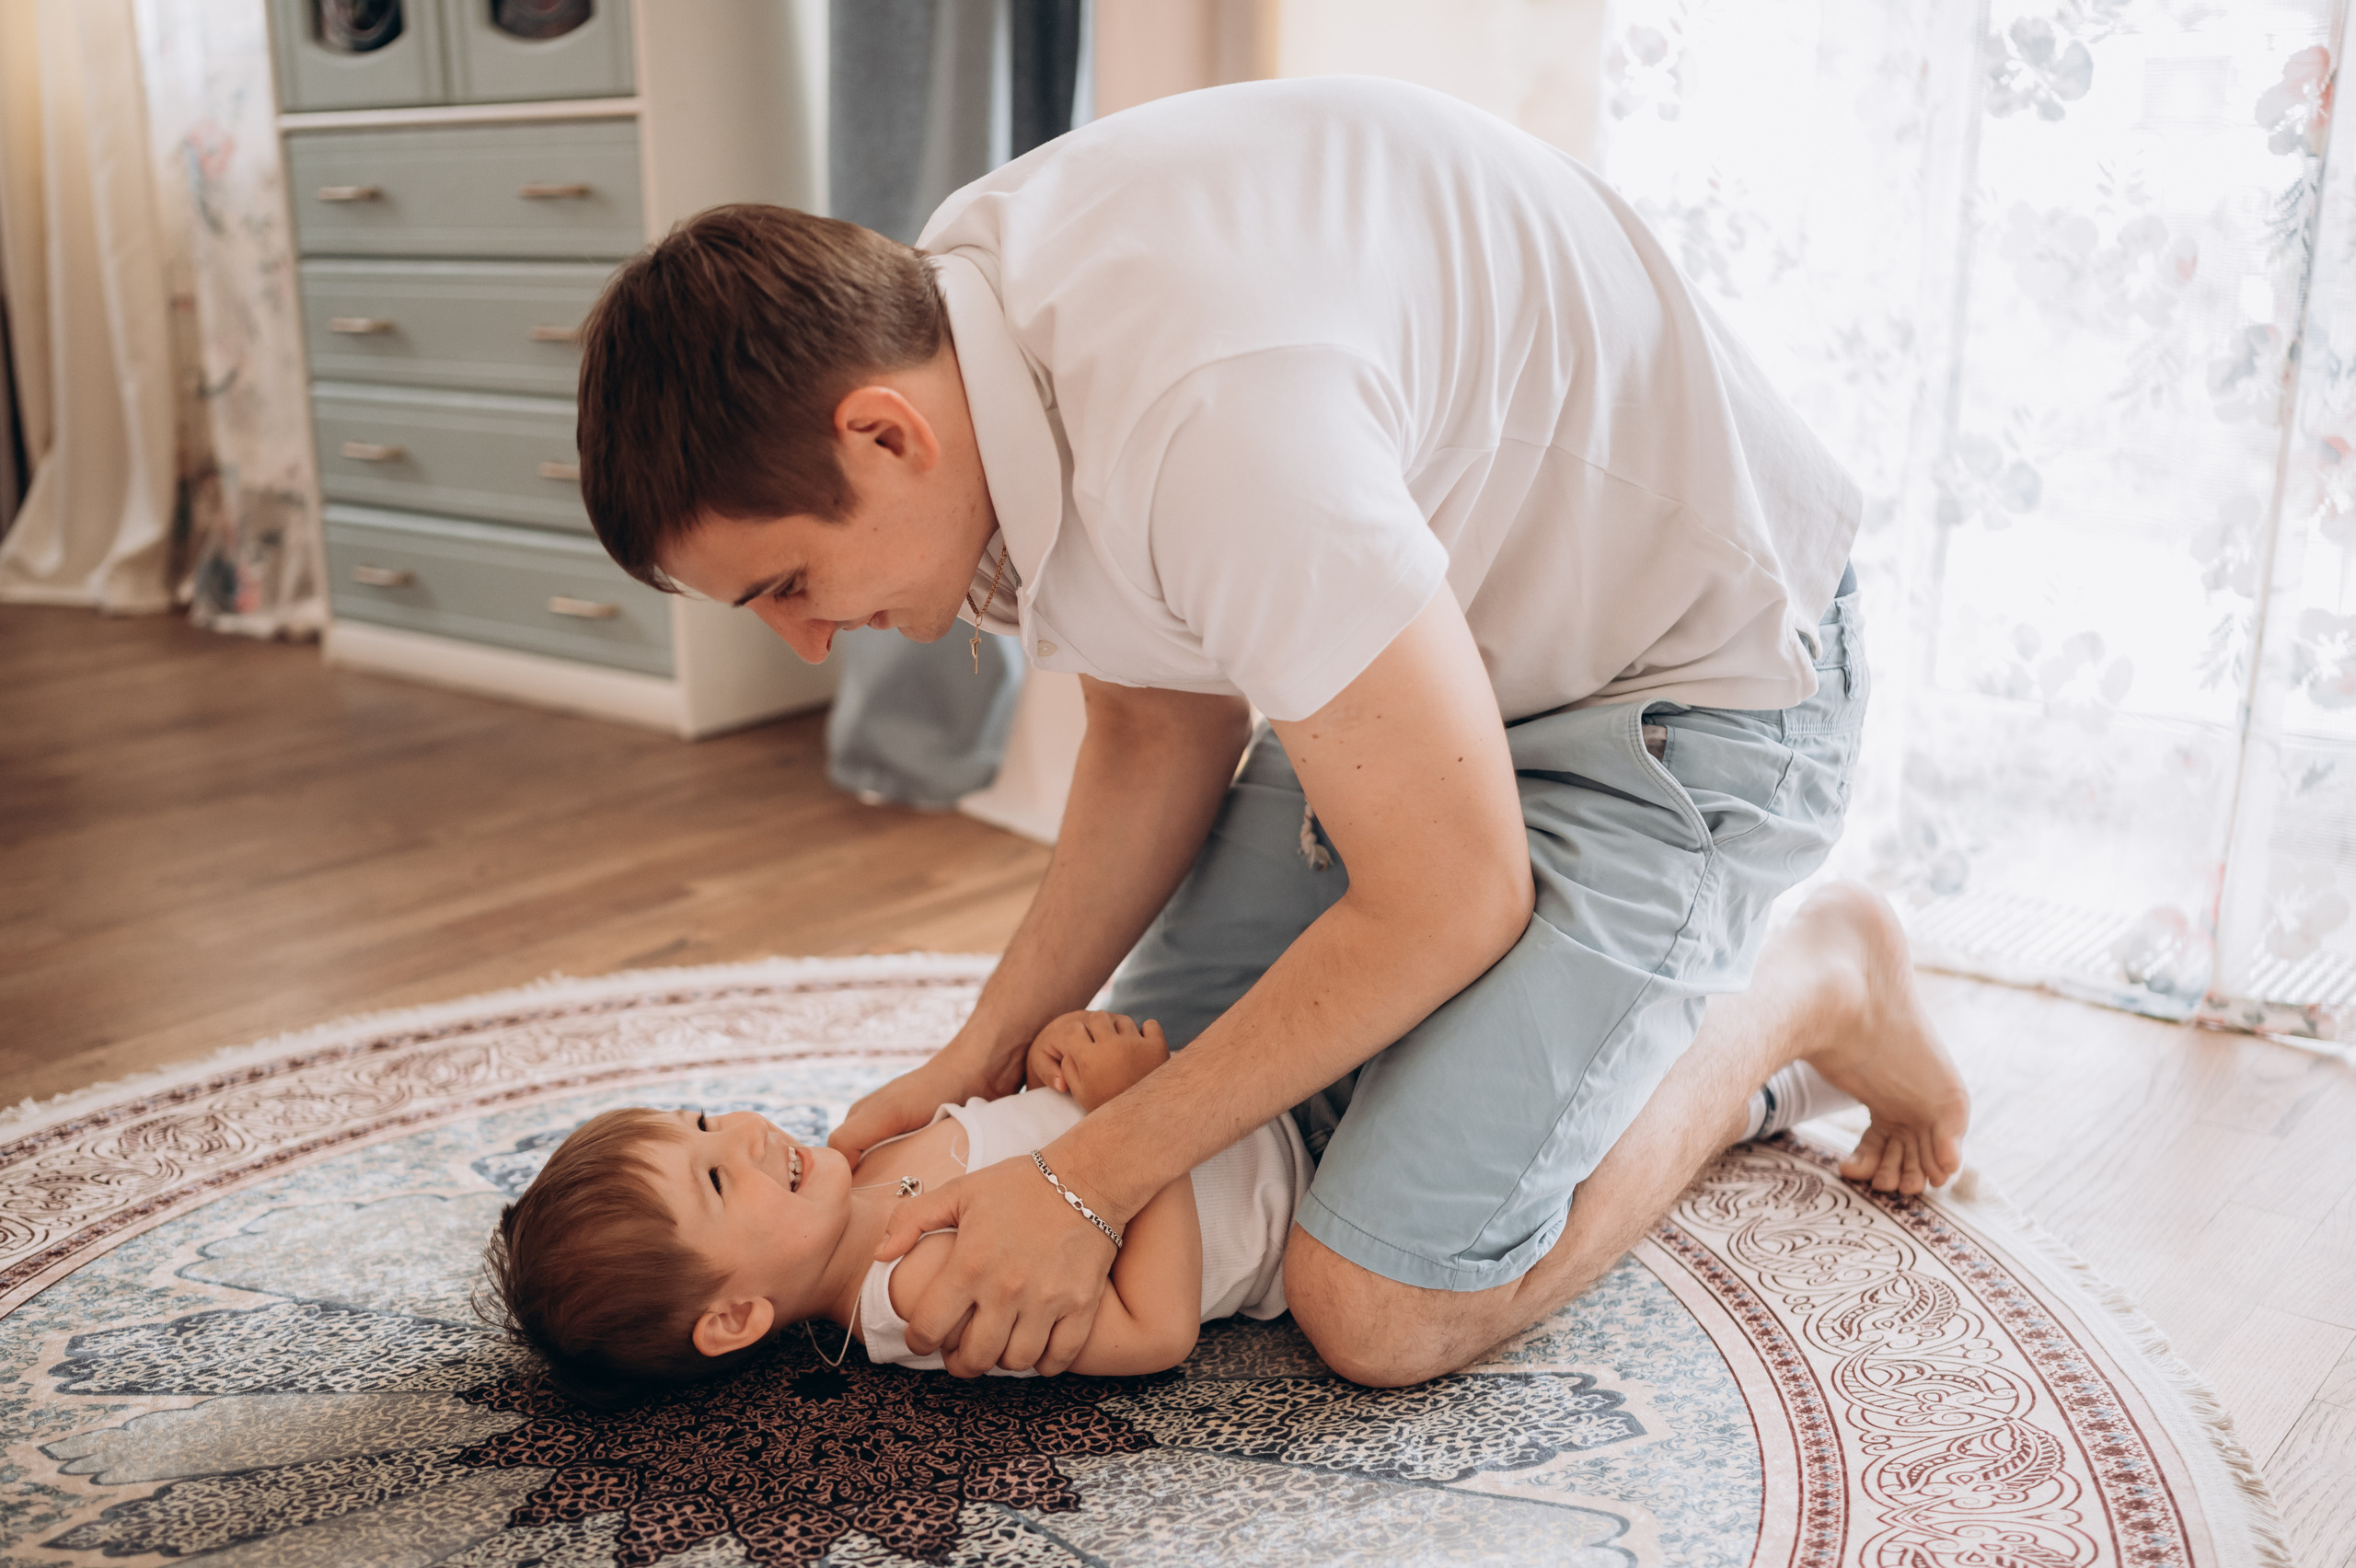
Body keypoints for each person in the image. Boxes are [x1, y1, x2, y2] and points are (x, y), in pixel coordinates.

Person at [575, 75, 1971, 1389]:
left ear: (883, 438)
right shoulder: (955, 326)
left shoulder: (1209, 414)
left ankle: (1811, 983)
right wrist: (982, 1054)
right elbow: (1154, 721)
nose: (807, 643)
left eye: (788, 585)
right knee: (1178, 1073)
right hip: (1421, 695)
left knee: (1375, 1301)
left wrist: (1084, 1180)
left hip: (1681, 699)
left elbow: (1454, 893)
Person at [480, 1010, 1308, 1405]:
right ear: (734, 1316)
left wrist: (1056, 1060)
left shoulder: (867, 1157)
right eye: (718, 1180)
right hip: (1304, 1187)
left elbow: (1029, 1130)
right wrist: (1136, 1113)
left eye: (700, 1121)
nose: (744, 1134)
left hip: (1249, 1087)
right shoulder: (913, 1289)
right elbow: (1156, 1331)